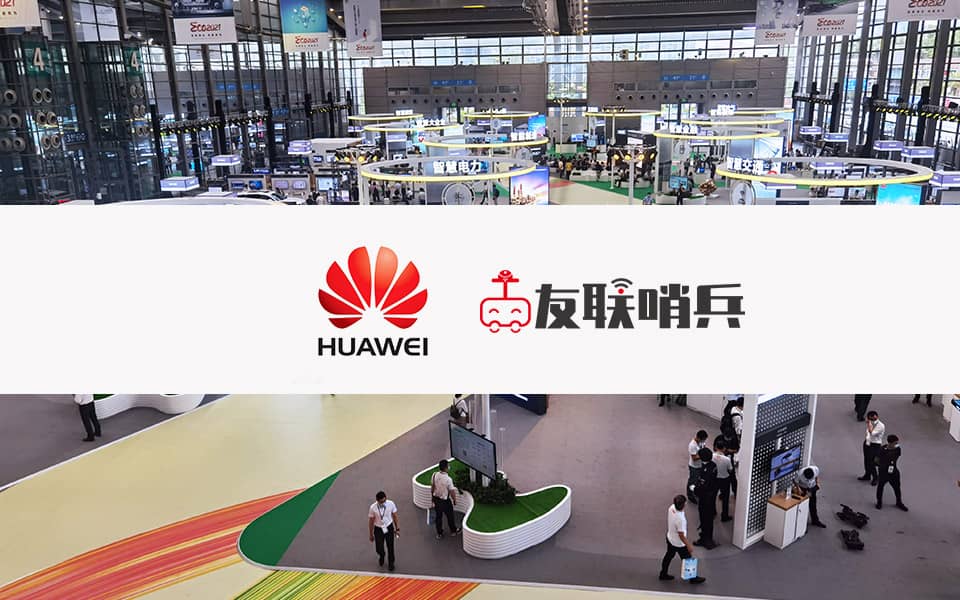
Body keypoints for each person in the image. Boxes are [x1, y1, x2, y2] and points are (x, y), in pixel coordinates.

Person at [659, 495, 706, 584]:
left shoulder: (671, 508)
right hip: (679, 543)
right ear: (684, 504)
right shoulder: (680, 520)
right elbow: (681, 535)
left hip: (670, 538)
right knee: (688, 558)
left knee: (668, 556)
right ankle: (693, 578)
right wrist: (688, 545)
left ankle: (663, 573)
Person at [693, 448, 719, 549]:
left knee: (705, 519)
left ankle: (707, 540)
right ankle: (706, 537)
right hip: (711, 496)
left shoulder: (706, 470)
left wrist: (695, 489)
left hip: (705, 498)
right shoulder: (713, 465)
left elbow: (703, 485)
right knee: (708, 519)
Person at [368, 491, 399, 571]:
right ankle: (382, 555)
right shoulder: (373, 508)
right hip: (378, 529)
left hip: (389, 527)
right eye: (381, 502)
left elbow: (395, 516)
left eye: (384, 501)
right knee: (379, 547)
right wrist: (371, 534)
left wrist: (397, 528)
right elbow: (371, 521)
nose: (383, 503)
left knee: (390, 546)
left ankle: (391, 563)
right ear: (377, 500)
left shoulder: (391, 504)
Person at [876, 435, 908, 511]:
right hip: (883, 472)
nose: (897, 444)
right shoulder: (882, 450)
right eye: (895, 443)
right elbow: (876, 461)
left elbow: (894, 458)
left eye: (897, 443)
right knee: (880, 487)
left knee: (897, 488)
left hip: (894, 472)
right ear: (890, 443)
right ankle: (879, 502)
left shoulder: (898, 449)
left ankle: (899, 502)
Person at [431, 460, 461, 538]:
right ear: (445, 468)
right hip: (445, 501)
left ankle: (439, 533)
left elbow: (433, 487)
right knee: (450, 515)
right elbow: (452, 491)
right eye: (448, 466)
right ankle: (453, 530)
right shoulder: (448, 479)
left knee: (438, 516)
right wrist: (454, 500)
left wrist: (432, 498)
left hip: (436, 499)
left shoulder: (434, 475)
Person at [858, 410, 885, 485]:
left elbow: (872, 433)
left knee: (872, 462)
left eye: (872, 418)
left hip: (875, 445)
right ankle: (867, 475)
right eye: (870, 418)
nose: (871, 420)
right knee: (866, 460)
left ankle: (875, 477)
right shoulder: (871, 423)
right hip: (867, 443)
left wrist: (869, 423)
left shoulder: (880, 425)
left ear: (876, 417)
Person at [713, 440, 734, 522]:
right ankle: (724, 516)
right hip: (725, 479)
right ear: (724, 448)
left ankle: (713, 512)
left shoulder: (712, 456)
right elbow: (730, 469)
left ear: (716, 447)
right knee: (725, 499)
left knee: (713, 496)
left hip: (715, 479)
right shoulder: (727, 459)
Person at [687, 430, 709, 504]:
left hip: (700, 465)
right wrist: (703, 455)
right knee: (692, 481)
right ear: (699, 438)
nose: (704, 441)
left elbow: (703, 447)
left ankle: (696, 491)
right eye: (703, 439)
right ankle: (690, 495)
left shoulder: (701, 442)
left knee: (697, 480)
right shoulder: (692, 445)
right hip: (694, 467)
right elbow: (694, 458)